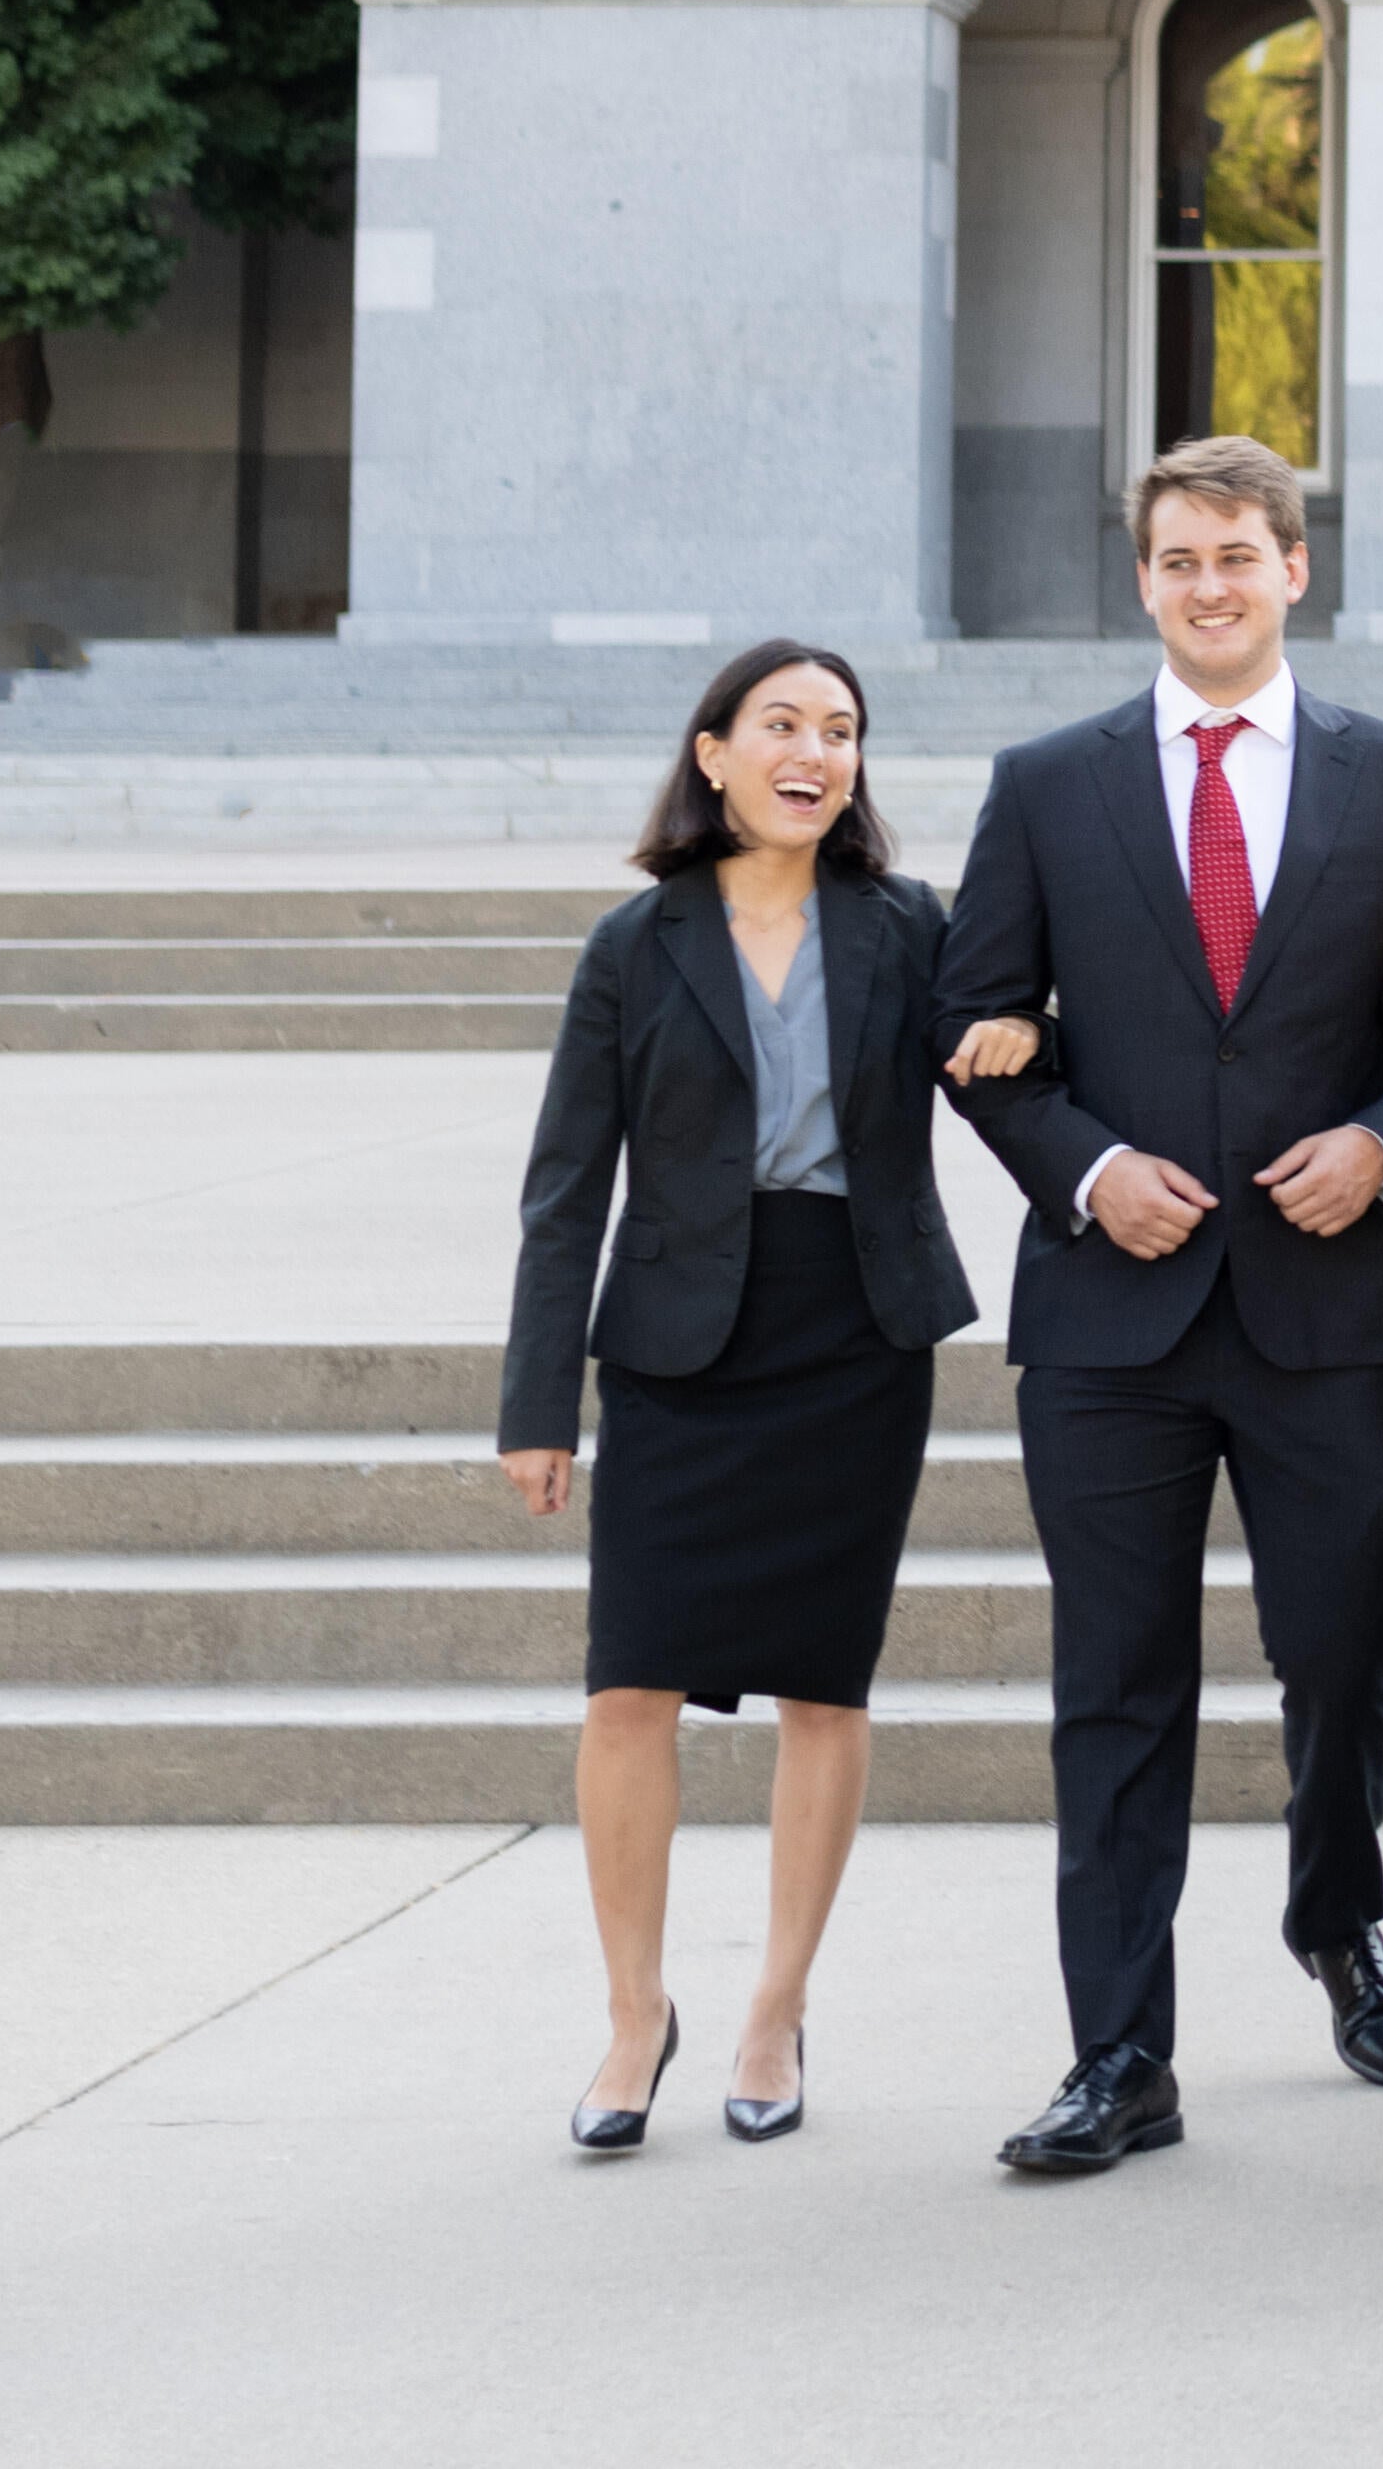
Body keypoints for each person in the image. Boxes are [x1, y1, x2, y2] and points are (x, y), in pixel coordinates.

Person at [934, 437, 1383, 2177]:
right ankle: (1119, 2053)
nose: (1210, 585)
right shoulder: (1047, 784)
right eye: (1179, 560)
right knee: (1115, 1685)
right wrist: (1080, 1168)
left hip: (1327, 1303)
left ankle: (1338, 1923)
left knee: (1342, 1655)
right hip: (1106, 1322)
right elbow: (974, 1031)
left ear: (1295, 571)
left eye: (1240, 556)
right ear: (1144, 582)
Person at [500, 638, 984, 2154]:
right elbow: (565, 1186)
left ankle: (775, 2004)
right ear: (712, 753)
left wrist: (1026, 1032)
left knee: (821, 1689)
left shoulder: (909, 927)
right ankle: (636, 2015)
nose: (815, 750)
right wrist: (537, 1399)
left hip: (854, 1333)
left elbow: (1016, 1054)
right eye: (782, 723)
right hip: (676, 1350)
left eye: (840, 730)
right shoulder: (634, 945)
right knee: (629, 1685)